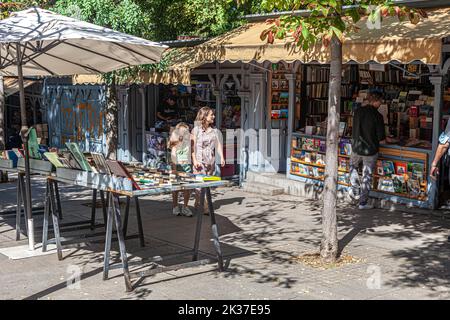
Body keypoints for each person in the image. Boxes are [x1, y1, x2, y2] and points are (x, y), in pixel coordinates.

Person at [349, 92, 392, 209]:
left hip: (356, 147)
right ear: (376, 101)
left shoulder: (357, 112)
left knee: (352, 167)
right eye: (380, 102)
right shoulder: (377, 116)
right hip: (370, 149)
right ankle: (363, 203)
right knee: (366, 175)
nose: (381, 104)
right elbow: (381, 139)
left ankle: (355, 190)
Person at [192, 107, 225, 214]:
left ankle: (197, 202)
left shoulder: (214, 131)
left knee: (206, 185)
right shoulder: (196, 130)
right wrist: (194, 160)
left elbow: (218, 145)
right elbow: (192, 147)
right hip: (199, 161)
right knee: (199, 185)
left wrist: (222, 157)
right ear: (204, 116)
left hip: (210, 162)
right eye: (211, 115)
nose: (214, 117)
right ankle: (205, 207)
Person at [169, 122, 193, 217]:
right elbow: (173, 155)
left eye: (186, 132)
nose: (184, 134)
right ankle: (175, 206)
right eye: (182, 132)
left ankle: (185, 207)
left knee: (187, 188)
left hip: (187, 168)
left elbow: (190, 154)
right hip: (177, 168)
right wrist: (174, 169)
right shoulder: (175, 143)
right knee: (176, 188)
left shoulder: (188, 143)